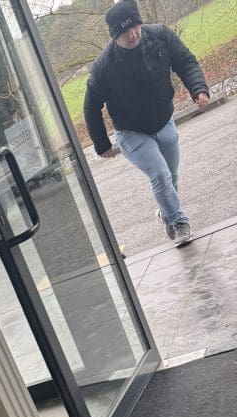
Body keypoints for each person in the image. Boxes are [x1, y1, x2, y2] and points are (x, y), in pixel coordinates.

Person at [83, 0, 209, 248]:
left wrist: (198, 89)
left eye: (135, 27)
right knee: (160, 175)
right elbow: (91, 106)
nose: (132, 34)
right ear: (114, 36)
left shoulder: (160, 35)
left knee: (171, 176)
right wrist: (101, 142)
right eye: (125, 32)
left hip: (164, 120)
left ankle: (165, 213)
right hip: (131, 132)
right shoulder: (104, 66)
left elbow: (185, 61)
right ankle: (179, 222)